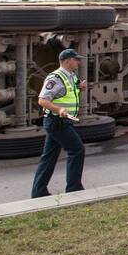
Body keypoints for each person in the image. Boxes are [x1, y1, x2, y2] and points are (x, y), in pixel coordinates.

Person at [31, 48, 87, 198]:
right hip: (57, 121)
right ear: (67, 61)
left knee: (49, 156)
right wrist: (59, 109)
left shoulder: (71, 76)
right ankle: (74, 188)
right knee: (77, 150)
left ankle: (38, 191)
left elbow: (66, 92)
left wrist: (80, 87)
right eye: (76, 59)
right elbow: (42, 100)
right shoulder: (55, 77)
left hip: (62, 122)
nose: (78, 62)